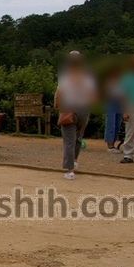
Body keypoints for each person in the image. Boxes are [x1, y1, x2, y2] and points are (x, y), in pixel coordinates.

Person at [54, 51, 97, 180]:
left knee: (69, 141)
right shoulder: (88, 77)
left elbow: (59, 93)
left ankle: (69, 170)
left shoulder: (66, 77)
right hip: (84, 110)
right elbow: (93, 96)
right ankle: (75, 161)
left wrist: (58, 106)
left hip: (69, 108)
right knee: (78, 138)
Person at [102, 65, 124, 153]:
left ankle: (113, 144)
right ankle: (110, 145)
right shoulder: (109, 81)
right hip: (111, 102)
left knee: (117, 124)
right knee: (111, 123)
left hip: (120, 103)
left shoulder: (122, 82)